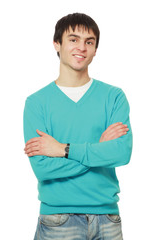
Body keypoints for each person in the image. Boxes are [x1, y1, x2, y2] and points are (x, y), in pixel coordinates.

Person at [23, 12, 133, 240]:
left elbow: (122, 153)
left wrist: (63, 149)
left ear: (95, 50)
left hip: (108, 219)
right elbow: (42, 168)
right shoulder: (37, 103)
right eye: (73, 39)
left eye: (89, 42)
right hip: (57, 220)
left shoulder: (113, 97)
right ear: (57, 44)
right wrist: (98, 150)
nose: (81, 47)